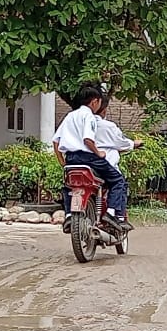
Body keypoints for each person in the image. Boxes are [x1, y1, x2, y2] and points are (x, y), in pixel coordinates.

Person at [51, 85, 131, 232]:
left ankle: (69, 215)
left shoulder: (70, 116)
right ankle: (111, 213)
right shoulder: (89, 116)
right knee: (118, 180)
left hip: (71, 159)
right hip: (88, 158)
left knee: (68, 186)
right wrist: (98, 152)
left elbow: (56, 141)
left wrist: (62, 161)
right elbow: (88, 139)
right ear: (95, 101)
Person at [94, 98, 143, 220]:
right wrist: (134, 144)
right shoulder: (108, 126)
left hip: (83, 164)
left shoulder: (80, 124)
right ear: (104, 109)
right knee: (120, 182)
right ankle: (116, 215)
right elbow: (121, 142)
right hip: (104, 164)